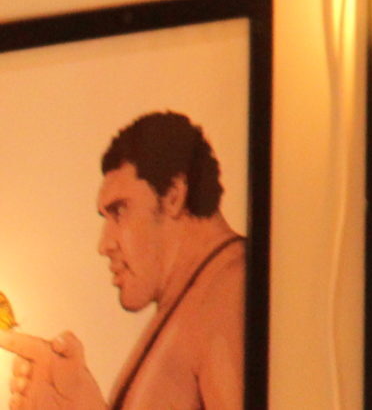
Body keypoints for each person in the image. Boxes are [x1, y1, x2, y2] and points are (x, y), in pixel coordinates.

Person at [0, 112, 247, 410]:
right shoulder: (196, 293)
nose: (104, 245)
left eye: (120, 211)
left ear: (173, 196)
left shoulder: (228, 292)